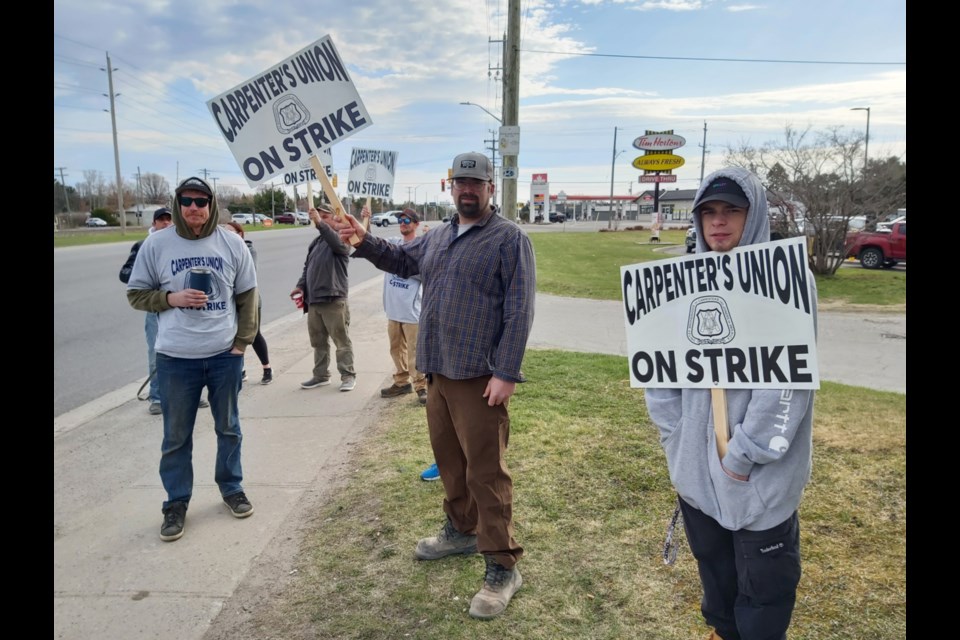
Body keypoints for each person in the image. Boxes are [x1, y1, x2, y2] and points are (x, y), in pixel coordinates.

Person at [328, 152, 536, 620]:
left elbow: (519, 309)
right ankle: (460, 531)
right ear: (450, 186)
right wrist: (361, 239)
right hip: (437, 371)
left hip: (480, 377)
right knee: (449, 461)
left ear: (490, 189)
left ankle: (503, 564)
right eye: (460, 182)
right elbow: (400, 260)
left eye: (476, 183)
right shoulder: (439, 236)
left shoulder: (509, 240)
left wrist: (506, 372)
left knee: (487, 471)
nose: (468, 189)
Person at [644, 167, 817, 640]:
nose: (718, 222)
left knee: (763, 594)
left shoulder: (785, 282)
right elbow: (659, 367)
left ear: (753, 214)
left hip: (758, 479)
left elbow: (789, 383)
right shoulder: (681, 282)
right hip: (697, 474)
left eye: (732, 211)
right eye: (709, 212)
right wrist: (676, 436)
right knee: (716, 581)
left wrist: (743, 454)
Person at [126, 176, 259, 542]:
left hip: (223, 357)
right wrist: (172, 299)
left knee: (229, 428)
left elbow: (248, 297)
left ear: (212, 204)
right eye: (187, 201)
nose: (194, 208)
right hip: (175, 359)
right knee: (176, 437)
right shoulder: (157, 244)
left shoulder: (232, 243)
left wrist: (241, 344)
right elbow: (136, 294)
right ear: (177, 203)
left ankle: (231, 489)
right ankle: (176, 502)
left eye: (201, 201)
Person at [120, 207, 211, 415]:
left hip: (184, 308)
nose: (166, 223)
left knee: (190, 350)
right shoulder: (145, 246)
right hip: (158, 307)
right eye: (161, 220)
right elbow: (125, 274)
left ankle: (193, 394)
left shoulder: (182, 244)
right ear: (154, 224)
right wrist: (147, 274)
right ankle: (158, 397)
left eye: (169, 219)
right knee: (157, 352)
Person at [291, 204, 356, 392]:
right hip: (314, 300)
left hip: (334, 299)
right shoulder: (316, 243)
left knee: (341, 340)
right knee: (318, 341)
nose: (320, 219)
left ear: (336, 220)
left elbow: (338, 246)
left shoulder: (342, 240)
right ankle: (320, 375)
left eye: (326, 216)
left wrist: (321, 224)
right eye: (319, 216)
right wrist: (300, 286)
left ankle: (348, 375)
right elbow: (307, 268)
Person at [223, 221, 274, 385]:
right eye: (225, 232)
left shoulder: (248, 250)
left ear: (240, 234)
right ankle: (240, 370)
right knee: (233, 335)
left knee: (254, 333)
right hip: (230, 301)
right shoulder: (221, 251)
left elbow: (247, 275)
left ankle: (267, 368)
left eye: (232, 232)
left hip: (250, 300)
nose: (228, 235)